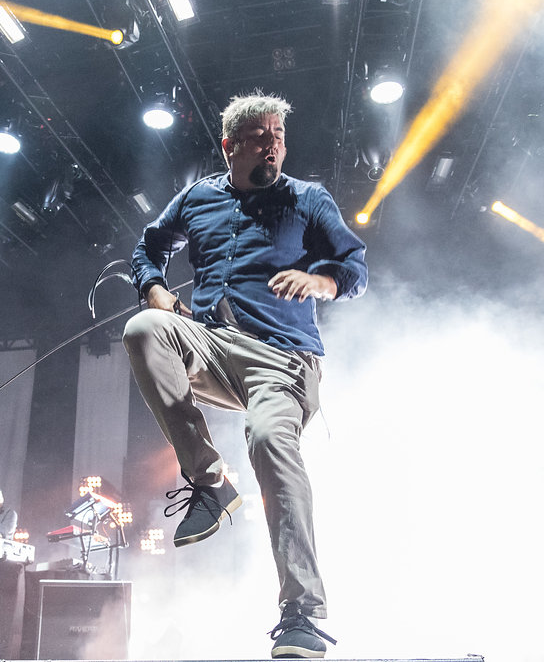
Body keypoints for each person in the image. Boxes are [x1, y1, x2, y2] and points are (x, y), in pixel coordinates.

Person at [122, 91, 367, 659]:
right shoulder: (197, 198)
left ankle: (302, 613)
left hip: (283, 359)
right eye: (260, 137)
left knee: (268, 440)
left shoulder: (307, 199)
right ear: (230, 145)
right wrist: (154, 287)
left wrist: (323, 282)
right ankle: (210, 483)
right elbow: (148, 248)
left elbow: (354, 267)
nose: (273, 146)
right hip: (213, 346)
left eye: (279, 136)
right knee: (144, 327)